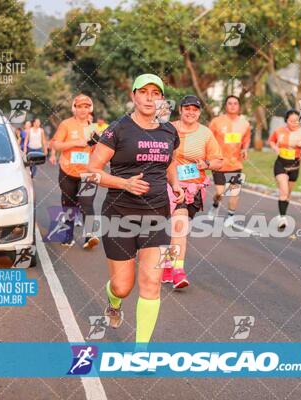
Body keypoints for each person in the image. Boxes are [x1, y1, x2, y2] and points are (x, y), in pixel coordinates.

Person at [88, 73, 184, 342]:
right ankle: (113, 301)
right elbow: (92, 172)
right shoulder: (117, 130)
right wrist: (124, 183)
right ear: (133, 96)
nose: (149, 98)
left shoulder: (169, 131)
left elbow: (170, 162)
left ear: (162, 98)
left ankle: (142, 352)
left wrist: (174, 183)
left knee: (152, 284)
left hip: (157, 215)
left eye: (155, 93)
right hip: (119, 215)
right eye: (144, 92)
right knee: (122, 286)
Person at [162, 95, 223, 289]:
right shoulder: (168, 128)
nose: (191, 112)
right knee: (177, 226)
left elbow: (219, 161)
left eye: (195, 109)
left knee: (178, 228)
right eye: (187, 108)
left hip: (194, 188)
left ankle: (168, 264)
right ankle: (178, 271)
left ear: (199, 113)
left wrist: (205, 164)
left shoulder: (205, 134)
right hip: (169, 184)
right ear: (180, 110)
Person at [52, 94, 100, 249]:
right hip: (68, 171)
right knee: (69, 205)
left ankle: (90, 236)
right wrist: (75, 143)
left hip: (88, 172)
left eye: (86, 107)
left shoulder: (92, 127)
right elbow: (56, 145)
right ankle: (68, 236)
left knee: (87, 204)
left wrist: (97, 145)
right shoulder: (66, 124)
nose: (83, 110)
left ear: (90, 109)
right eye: (80, 106)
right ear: (74, 108)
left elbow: (96, 150)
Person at [207, 95, 251, 227]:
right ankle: (215, 205)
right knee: (220, 193)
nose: (232, 106)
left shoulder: (245, 124)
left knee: (234, 192)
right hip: (219, 163)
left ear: (239, 106)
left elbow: (246, 140)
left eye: (235, 103)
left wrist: (245, 149)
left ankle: (231, 216)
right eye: (230, 103)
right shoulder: (216, 122)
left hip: (236, 164)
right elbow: (209, 139)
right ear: (225, 106)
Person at [267, 110, 301, 231]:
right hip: (281, 164)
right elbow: (271, 141)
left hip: (295, 166)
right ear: (286, 121)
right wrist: (275, 147)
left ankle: (283, 214)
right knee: (284, 190)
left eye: (296, 121)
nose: (294, 123)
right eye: (291, 121)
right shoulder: (279, 131)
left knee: (288, 194)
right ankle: (282, 218)